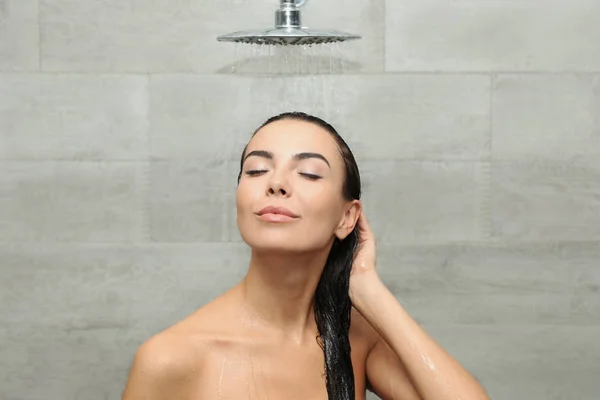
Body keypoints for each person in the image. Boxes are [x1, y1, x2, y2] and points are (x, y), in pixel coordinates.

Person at [121, 112, 489, 400]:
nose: (275, 182)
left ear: (347, 217)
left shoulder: (353, 340)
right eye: (256, 169)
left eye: (309, 173)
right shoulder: (170, 358)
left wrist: (368, 288)